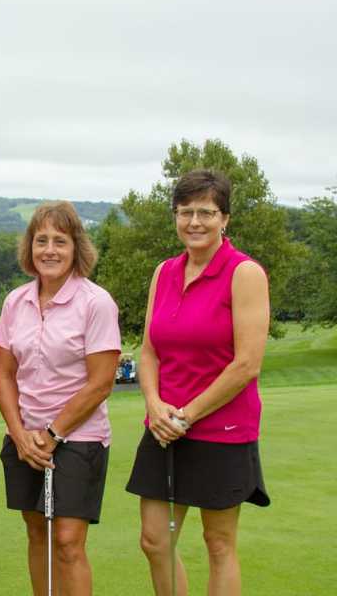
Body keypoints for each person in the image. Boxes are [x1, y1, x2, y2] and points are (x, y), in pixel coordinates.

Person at [126, 169, 271, 596]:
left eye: (206, 212)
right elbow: (149, 349)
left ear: (224, 218)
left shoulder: (244, 273)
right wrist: (153, 403)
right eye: (185, 211)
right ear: (175, 215)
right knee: (154, 540)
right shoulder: (164, 272)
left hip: (222, 428)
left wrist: (186, 415)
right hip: (163, 424)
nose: (194, 222)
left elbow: (246, 365)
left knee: (219, 543)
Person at [0, 201, 121, 596]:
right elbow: (4, 374)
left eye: (59, 241)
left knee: (66, 541)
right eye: (41, 240)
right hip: (25, 437)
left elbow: (100, 383)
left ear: (76, 247)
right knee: (37, 535)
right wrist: (19, 435)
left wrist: (52, 433)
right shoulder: (16, 301)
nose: (49, 249)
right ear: (30, 247)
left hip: (78, 438)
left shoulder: (96, 302)